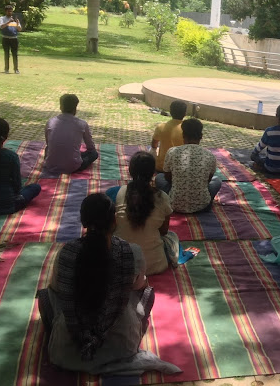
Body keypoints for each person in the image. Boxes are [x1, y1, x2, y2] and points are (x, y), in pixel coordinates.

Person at [37, 193, 179, 374]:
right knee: (147, 293)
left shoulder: (67, 252)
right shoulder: (131, 252)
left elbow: (57, 289)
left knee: (45, 296)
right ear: (114, 221)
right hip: (122, 349)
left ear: (83, 222)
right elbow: (139, 288)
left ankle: (65, 339)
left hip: (65, 354)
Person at [111, 151, 178, 275]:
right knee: (172, 237)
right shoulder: (163, 197)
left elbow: (110, 227)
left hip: (121, 264)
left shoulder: (115, 193)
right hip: (154, 264)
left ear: (130, 171)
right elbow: (164, 231)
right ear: (153, 173)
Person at [155, 118, 221, 213]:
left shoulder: (172, 151)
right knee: (217, 180)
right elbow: (207, 181)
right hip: (202, 205)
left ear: (183, 135)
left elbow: (168, 177)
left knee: (159, 177)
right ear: (201, 136)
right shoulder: (210, 155)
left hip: (174, 203)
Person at [0, 118, 41, 215]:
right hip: (7, 205)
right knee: (35, 187)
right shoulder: (10, 156)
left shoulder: (9, 156)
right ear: (6, 137)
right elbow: (17, 186)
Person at [44, 94, 98, 174]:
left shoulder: (50, 122)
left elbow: (48, 144)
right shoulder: (82, 124)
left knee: (50, 149)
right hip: (73, 167)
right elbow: (90, 147)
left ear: (61, 107)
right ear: (75, 108)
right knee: (94, 154)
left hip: (50, 165)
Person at [250, 103, 280, 173]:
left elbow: (259, 147)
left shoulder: (269, 131)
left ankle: (259, 166)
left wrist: (254, 154)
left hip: (270, 167)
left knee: (255, 156)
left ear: (276, 115)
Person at [151, 100, 187, 172]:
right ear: (185, 113)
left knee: (152, 150)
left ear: (170, 112)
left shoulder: (161, 127)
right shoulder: (188, 129)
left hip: (162, 167)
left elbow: (154, 144)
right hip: (181, 168)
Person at [0, 5, 21, 74]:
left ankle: (16, 69)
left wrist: (17, 24)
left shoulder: (15, 19)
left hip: (14, 39)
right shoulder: (2, 18)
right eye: (8, 11)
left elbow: (19, 29)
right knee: (6, 54)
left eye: (11, 11)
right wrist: (9, 22)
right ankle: (6, 69)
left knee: (15, 54)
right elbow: (1, 26)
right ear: (5, 11)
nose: (10, 12)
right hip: (5, 38)